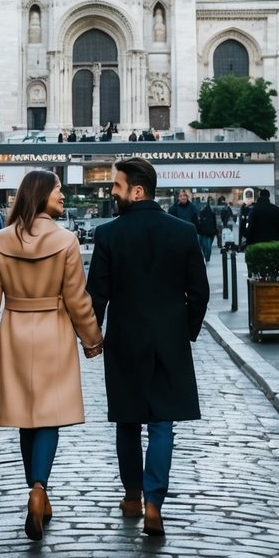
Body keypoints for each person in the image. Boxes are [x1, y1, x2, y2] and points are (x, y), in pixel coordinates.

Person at [0, 169, 103, 542]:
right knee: (48, 417)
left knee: (26, 418)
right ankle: (39, 490)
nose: (62, 195)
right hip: (54, 333)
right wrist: (92, 339)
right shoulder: (66, 240)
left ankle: (36, 494)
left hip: (14, 331)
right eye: (58, 190)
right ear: (41, 195)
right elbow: (78, 299)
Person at [86, 158, 209, 538]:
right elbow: (199, 293)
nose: (112, 193)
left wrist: (93, 337)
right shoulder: (184, 231)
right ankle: (154, 502)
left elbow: (97, 297)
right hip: (169, 339)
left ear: (137, 191)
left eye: (117, 187)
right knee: (162, 424)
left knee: (127, 420)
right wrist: (184, 330)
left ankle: (132, 496)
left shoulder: (107, 235)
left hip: (125, 339)